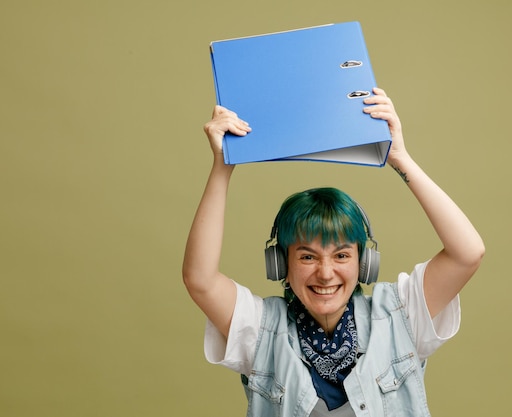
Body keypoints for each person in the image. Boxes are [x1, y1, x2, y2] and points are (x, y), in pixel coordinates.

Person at [182, 87, 485, 417]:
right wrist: (223, 165)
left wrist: (399, 157)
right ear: (281, 264)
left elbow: (467, 253)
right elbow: (200, 279)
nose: (325, 273)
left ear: (364, 262)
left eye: (341, 255)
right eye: (307, 257)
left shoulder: (400, 317)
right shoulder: (260, 332)